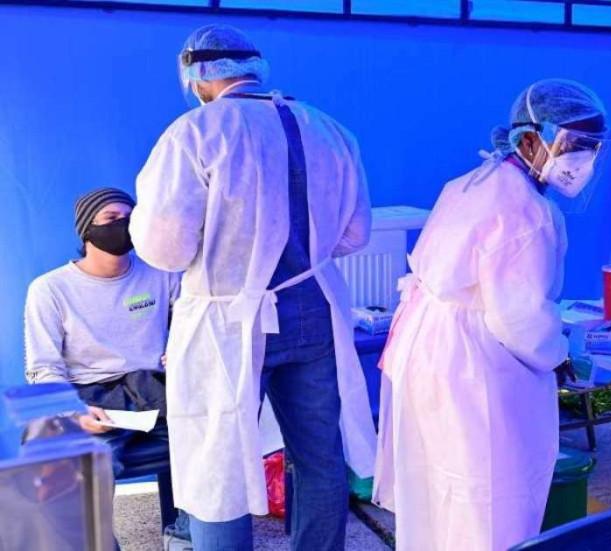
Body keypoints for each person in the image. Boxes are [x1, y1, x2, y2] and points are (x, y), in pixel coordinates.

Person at [130, 24, 375, 550]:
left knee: (215, 461)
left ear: (197, 77)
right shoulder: (330, 130)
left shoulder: (196, 133)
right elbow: (355, 235)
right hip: (314, 313)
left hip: (228, 323)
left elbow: (164, 247)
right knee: (319, 456)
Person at [372, 79, 611, 551]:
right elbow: (520, 320)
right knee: (490, 496)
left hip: (429, 351)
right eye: (574, 145)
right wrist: (560, 353)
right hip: (474, 363)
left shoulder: (474, 182)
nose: (582, 160)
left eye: (592, 147)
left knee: (435, 494)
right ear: (530, 139)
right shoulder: (527, 211)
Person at [23, 187, 186, 546]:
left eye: (130, 218)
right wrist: (73, 412)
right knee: (85, 471)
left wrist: (179, 349)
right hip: (90, 398)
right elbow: (43, 368)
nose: (123, 226)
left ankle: (184, 537)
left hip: (155, 391)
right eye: (112, 219)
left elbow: (191, 327)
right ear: (87, 230)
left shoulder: (163, 275)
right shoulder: (49, 290)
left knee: (208, 444)